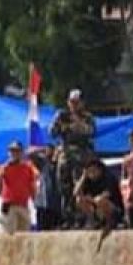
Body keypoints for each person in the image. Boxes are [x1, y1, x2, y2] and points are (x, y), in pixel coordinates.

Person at [50, 89, 97, 227]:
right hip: (66, 156)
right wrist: (60, 124)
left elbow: (92, 131)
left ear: (82, 103)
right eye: (72, 102)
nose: (74, 105)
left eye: (77, 102)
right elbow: (52, 132)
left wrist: (77, 124)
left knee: (80, 187)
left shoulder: (87, 117)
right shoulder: (62, 115)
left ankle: (81, 217)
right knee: (64, 187)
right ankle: (67, 217)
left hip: (82, 157)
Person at [0, 140, 38, 234]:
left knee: (24, 234)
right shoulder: (6, 167)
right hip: (9, 206)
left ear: (21, 153)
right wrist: (3, 169)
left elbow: (32, 184)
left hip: (23, 205)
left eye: (16, 151)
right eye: (12, 151)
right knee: (10, 234)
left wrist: (33, 198)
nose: (14, 154)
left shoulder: (27, 167)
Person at [74, 157, 123, 231]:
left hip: (113, 210)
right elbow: (75, 192)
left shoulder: (109, 177)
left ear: (100, 170)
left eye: (94, 171)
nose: (92, 174)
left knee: (100, 200)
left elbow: (106, 195)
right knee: (79, 200)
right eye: (89, 172)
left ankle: (110, 222)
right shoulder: (87, 180)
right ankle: (93, 222)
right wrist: (83, 176)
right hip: (96, 208)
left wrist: (92, 199)